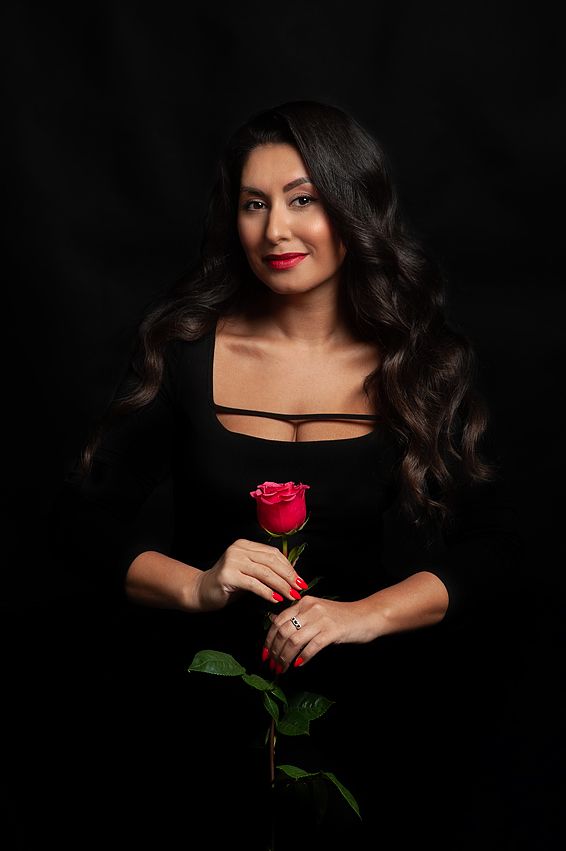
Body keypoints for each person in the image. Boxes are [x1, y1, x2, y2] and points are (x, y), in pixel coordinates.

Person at [51, 99, 523, 849]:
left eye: (303, 199)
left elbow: (497, 547)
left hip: (370, 727)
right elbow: (80, 521)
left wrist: (364, 614)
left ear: (352, 207)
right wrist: (197, 585)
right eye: (254, 204)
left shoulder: (421, 364)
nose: (275, 230)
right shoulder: (182, 350)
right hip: (186, 723)